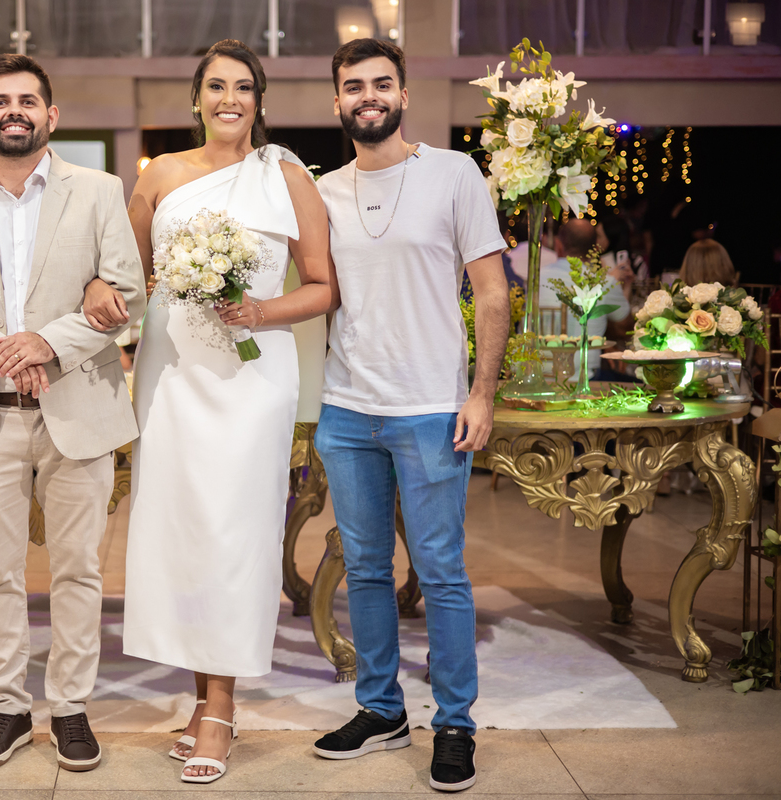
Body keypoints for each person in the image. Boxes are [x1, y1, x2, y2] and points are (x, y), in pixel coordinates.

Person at [88, 39, 335, 785]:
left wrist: (259, 311)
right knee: (184, 533)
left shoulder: (286, 175)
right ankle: (201, 700)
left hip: (252, 380)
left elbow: (323, 285)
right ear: (196, 97)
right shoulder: (160, 175)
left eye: (244, 87)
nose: (231, 99)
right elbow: (124, 277)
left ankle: (221, 708)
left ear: (259, 99)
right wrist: (99, 294)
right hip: (171, 376)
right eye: (217, 86)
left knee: (235, 531)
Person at [0, 54, 145, 774]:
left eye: (28, 100)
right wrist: (2, 351)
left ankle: (70, 707)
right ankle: (7, 708)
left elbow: (127, 294)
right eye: (0, 100)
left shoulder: (99, 191)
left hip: (78, 408)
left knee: (78, 571)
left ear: (51, 115)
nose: (15, 110)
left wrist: (47, 343)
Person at [309, 39, 509, 793]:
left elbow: (492, 291)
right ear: (336, 100)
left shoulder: (454, 174)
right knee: (364, 569)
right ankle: (381, 710)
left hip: (430, 408)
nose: (368, 95)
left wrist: (481, 393)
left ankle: (454, 722)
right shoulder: (322, 192)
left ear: (402, 94)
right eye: (353, 85)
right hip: (347, 408)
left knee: (440, 570)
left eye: (381, 83)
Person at [539, 219, 631, 381]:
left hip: (539, 373)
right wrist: (626, 287)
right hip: (584, 377)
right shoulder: (604, 282)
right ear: (594, 249)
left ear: (559, 244)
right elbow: (626, 329)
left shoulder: (536, 278)